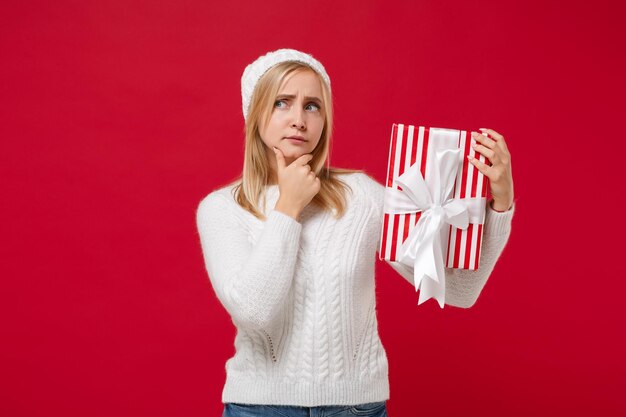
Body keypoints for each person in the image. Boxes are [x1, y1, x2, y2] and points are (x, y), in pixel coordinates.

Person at [195, 48, 515, 417]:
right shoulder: (222, 209)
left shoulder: (361, 196)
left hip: (355, 408)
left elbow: (459, 290)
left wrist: (500, 205)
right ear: (255, 112)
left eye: (312, 105)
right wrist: (289, 207)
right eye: (282, 102)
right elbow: (254, 311)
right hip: (259, 409)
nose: (299, 119)